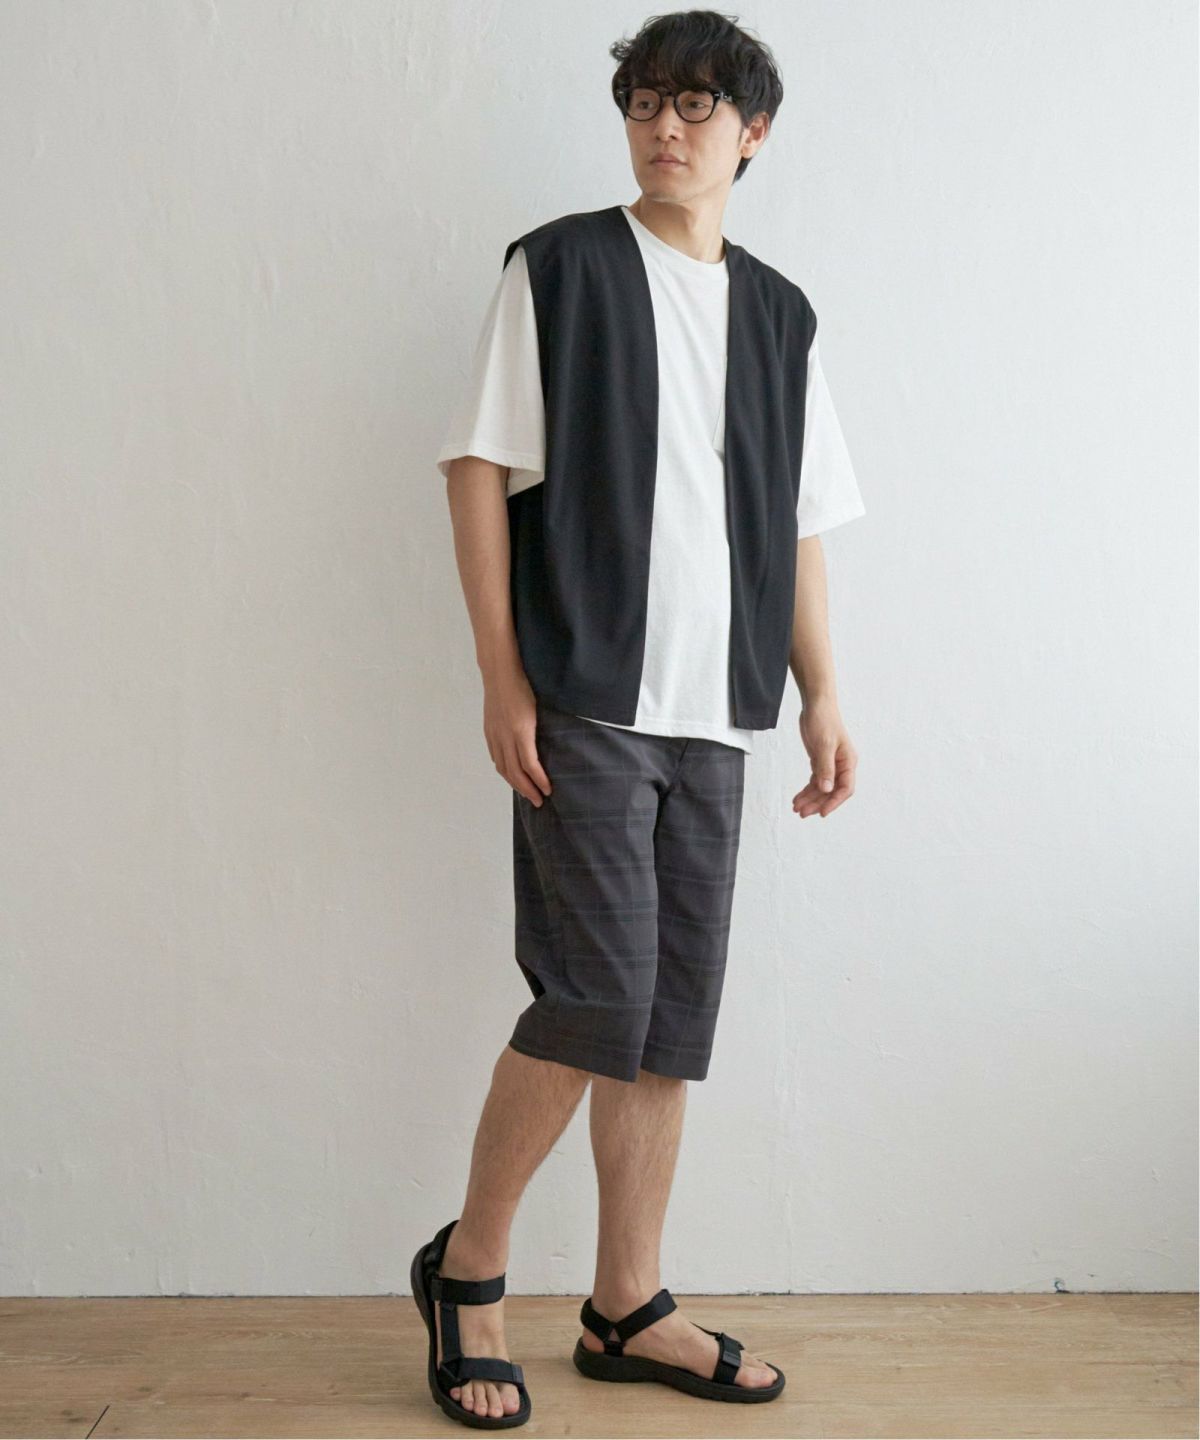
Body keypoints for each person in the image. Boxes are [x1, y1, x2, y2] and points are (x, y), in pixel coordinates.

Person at [414, 9, 865, 1429]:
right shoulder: (560, 268)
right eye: (645, 102)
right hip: (587, 695)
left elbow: (799, 524)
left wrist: (822, 691)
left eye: (697, 106)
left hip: (715, 712)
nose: (666, 127)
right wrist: (501, 676)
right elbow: (479, 466)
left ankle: (627, 1304)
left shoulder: (782, 316)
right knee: (594, 999)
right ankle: (468, 1273)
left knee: (668, 1024)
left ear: (753, 132)